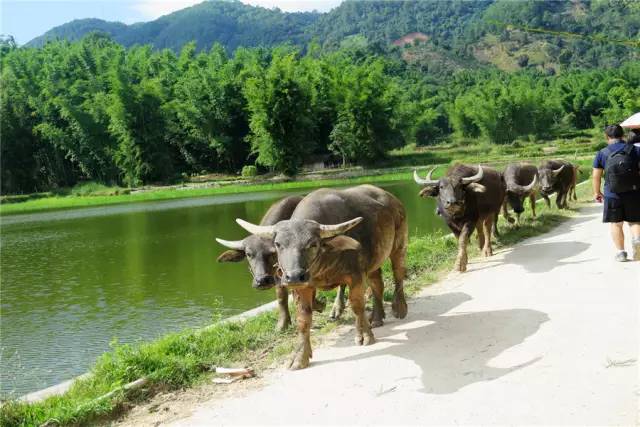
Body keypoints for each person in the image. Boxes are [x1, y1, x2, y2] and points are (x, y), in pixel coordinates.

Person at [592, 124, 640, 262]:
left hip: (612, 193)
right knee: (635, 221)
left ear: (606, 137)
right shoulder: (635, 150)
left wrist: (597, 192)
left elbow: (596, 176)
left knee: (616, 223)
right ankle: (637, 240)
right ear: (623, 135)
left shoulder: (602, 153)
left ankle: (621, 252)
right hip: (634, 191)